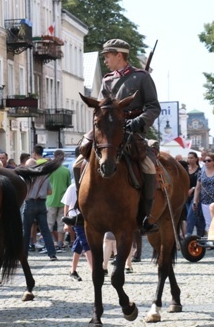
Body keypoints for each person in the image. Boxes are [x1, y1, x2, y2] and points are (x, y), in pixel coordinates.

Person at [69, 39, 161, 234]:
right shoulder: (107, 79)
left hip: (132, 128)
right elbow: (103, 106)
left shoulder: (142, 77)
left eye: (108, 56)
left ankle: (144, 215)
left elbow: (154, 107)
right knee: (78, 162)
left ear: (119, 55)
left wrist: (139, 122)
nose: (105, 60)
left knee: (148, 166)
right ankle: (80, 209)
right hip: (108, 129)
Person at [22, 158, 57, 261]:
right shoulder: (44, 176)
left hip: (29, 203)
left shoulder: (26, 177)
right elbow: (50, 192)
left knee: (26, 230)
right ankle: (52, 254)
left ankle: (24, 254)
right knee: (45, 230)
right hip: (41, 204)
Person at [61, 183, 93, 281]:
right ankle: (94, 271)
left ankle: (73, 271)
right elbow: (66, 204)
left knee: (79, 244)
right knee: (86, 243)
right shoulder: (72, 187)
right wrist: (66, 223)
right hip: (75, 219)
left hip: (87, 218)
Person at [46, 150, 72, 251]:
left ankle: (50, 243)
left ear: (54, 156)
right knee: (61, 223)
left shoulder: (50, 170)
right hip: (63, 200)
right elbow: (69, 186)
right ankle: (60, 243)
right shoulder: (65, 171)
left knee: (49, 223)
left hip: (50, 200)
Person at [185, 151, 205, 237]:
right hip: (186, 196)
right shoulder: (185, 170)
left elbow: (200, 184)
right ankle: (200, 235)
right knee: (196, 217)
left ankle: (188, 234)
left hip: (196, 195)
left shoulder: (200, 170)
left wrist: (193, 189)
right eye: (188, 158)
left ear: (196, 159)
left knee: (191, 214)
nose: (189, 159)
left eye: (191, 158)